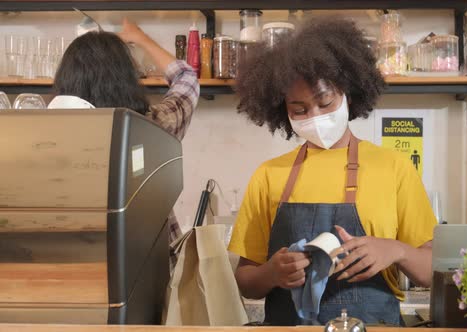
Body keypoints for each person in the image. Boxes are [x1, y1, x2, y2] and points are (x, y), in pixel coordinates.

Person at [228, 18, 437, 326]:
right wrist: (272, 272)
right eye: (299, 110)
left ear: (348, 94)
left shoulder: (393, 168)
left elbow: (433, 270)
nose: (315, 116)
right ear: (282, 110)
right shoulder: (269, 175)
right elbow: (246, 280)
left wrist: (396, 250)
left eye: (325, 102)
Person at [52, 19, 199, 269]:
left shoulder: (44, 135)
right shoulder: (152, 126)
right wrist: (140, 38)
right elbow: (187, 78)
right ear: (124, 80)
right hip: (150, 276)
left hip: (73, 277)